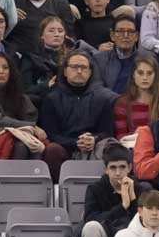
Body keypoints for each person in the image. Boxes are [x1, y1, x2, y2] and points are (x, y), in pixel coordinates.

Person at [38, 51, 119, 180]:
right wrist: (76, 143)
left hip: (94, 147)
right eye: (75, 67)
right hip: (65, 147)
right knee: (52, 150)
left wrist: (94, 139)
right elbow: (51, 134)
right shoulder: (51, 98)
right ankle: (58, 192)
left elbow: (108, 131)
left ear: (91, 72)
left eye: (84, 67)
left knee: (113, 148)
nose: (79, 71)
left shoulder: (103, 98)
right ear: (65, 71)